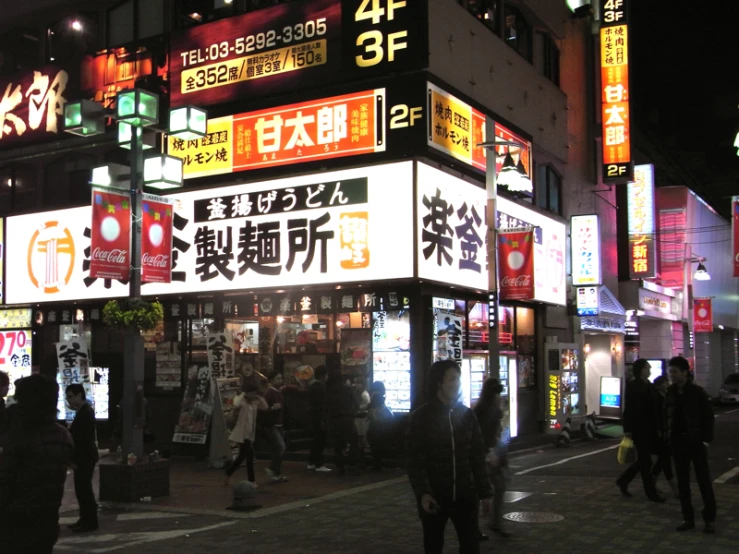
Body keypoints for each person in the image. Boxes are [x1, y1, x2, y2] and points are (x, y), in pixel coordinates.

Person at [407, 360, 492, 554]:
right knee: (433, 545)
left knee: (471, 546)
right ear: (438, 382)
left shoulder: (467, 415)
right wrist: (423, 493)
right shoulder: (421, 417)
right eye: (451, 379)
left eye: (458, 379)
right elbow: (415, 461)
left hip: (466, 495)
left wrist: (485, 492)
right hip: (435, 498)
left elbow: (477, 456)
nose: (456, 383)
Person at [0, 374, 73, 553]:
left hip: (14, 521)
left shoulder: (19, 436)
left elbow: (6, 482)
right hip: (47, 519)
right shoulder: (62, 435)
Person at [665, 356, 716, 533]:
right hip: (678, 443)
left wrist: (705, 439)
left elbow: (708, 417)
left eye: (674, 372)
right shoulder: (670, 392)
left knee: (703, 481)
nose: (671, 375)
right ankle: (688, 518)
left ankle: (709, 519)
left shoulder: (697, 393)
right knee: (683, 482)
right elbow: (666, 416)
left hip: (695, 442)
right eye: (670, 371)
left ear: (685, 373)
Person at [616, 359, 664, 502]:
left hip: (652, 428)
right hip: (640, 429)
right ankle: (651, 493)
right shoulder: (634, 386)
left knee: (652, 458)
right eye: (647, 368)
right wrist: (628, 429)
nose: (649, 370)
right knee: (646, 460)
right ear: (641, 370)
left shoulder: (649, 385)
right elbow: (629, 410)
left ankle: (624, 480)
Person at [474, 378, 511, 539]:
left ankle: (492, 523)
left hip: (490, 454)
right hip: (486, 455)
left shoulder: (485, 408)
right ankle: (487, 524)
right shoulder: (486, 409)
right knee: (486, 489)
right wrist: (489, 453)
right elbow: (486, 434)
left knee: (496, 487)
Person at [66, 384, 100, 532]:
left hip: (84, 457)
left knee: (84, 489)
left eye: (71, 397)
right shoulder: (83, 411)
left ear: (80, 395)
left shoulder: (86, 412)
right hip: (84, 456)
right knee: (81, 489)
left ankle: (90, 521)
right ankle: (85, 519)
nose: (69, 401)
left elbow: (82, 439)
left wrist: (74, 460)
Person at [224, 382, 268, 486]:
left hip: (250, 434)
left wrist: (259, 397)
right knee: (249, 457)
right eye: (251, 393)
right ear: (247, 392)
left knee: (241, 457)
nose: (253, 395)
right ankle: (251, 481)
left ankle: (228, 473)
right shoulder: (242, 401)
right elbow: (236, 403)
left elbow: (265, 406)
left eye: (254, 393)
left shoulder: (255, 402)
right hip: (241, 435)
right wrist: (243, 394)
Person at [326, 371, 358, 475]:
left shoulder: (329, 391)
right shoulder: (349, 389)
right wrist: (353, 413)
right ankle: (352, 464)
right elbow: (356, 404)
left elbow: (326, 407)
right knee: (353, 441)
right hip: (348, 419)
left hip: (334, 420)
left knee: (337, 445)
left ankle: (340, 466)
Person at [652, 375, 678, 498]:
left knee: (664, 459)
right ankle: (674, 488)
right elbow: (657, 416)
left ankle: (652, 484)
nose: (667, 384)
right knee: (664, 459)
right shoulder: (657, 398)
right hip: (661, 433)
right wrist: (659, 430)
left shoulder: (665, 396)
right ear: (659, 385)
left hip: (666, 431)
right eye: (664, 382)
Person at [263, 370, 288, 483]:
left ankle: (276, 473)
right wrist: (273, 408)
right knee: (281, 447)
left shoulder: (278, 391)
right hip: (272, 425)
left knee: (277, 448)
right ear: (272, 380)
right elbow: (263, 408)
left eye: (281, 378)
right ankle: (272, 469)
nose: (280, 380)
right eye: (278, 378)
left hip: (279, 424)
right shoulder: (270, 392)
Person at [308, 365, 331, 472]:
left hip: (313, 417)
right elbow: (322, 405)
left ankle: (311, 462)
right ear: (323, 376)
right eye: (326, 375)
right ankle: (319, 464)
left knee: (316, 440)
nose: (327, 377)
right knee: (320, 440)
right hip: (319, 417)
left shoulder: (312, 386)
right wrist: (324, 418)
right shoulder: (320, 387)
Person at [367, 381, 394, 471]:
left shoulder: (375, 395)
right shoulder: (382, 396)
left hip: (375, 424)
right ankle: (378, 464)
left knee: (374, 444)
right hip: (381, 424)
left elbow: (370, 407)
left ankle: (376, 464)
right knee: (378, 444)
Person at [352, 376, 371, 467]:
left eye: (357, 383)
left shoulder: (364, 394)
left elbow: (367, 405)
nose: (355, 385)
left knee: (362, 435)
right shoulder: (357, 393)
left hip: (362, 417)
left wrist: (359, 408)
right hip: (358, 416)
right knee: (358, 435)